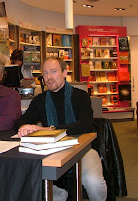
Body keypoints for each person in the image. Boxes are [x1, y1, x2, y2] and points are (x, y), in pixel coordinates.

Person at [14, 57, 107, 201]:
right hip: (51, 150)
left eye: (53, 71)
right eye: (45, 73)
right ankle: (59, 195)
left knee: (94, 182)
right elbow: (20, 122)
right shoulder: (40, 100)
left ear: (64, 72)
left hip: (82, 148)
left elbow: (85, 125)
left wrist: (50, 130)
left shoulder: (80, 96)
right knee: (27, 179)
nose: (49, 77)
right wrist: (23, 127)